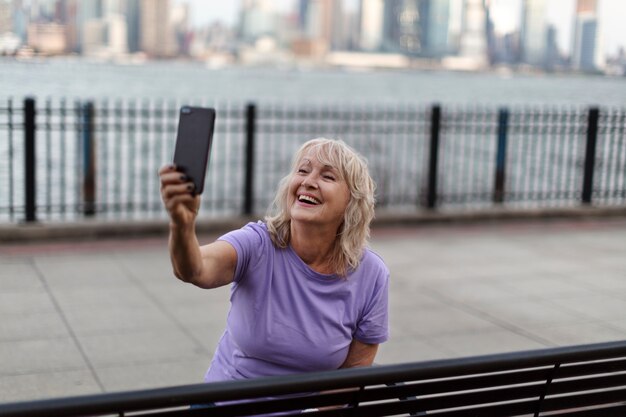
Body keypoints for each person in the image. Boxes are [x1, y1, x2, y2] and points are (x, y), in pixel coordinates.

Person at [159, 137, 389, 388]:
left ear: (351, 202)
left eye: (327, 176)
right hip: (227, 405)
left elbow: (350, 379)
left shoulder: (371, 275)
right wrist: (182, 225)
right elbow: (195, 269)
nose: (308, 182)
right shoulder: (257, 243)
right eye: (302, 170)